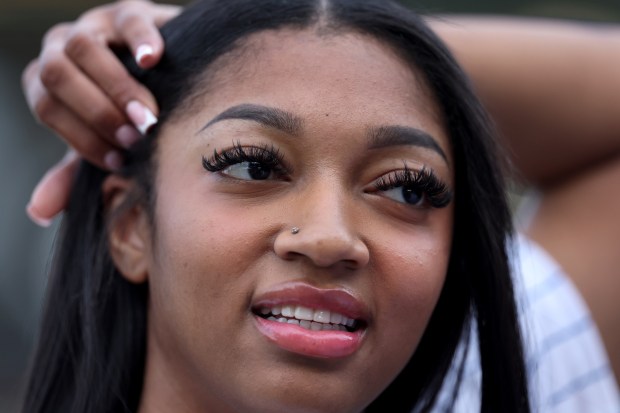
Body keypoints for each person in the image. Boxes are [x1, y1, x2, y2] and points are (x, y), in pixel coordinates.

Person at [20, 0, 620, 412]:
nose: (331, 237)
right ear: (131, 228)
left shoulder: (495, 373)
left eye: (407, 188)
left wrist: (331, 34)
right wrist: (192, 51)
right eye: (254, 166)